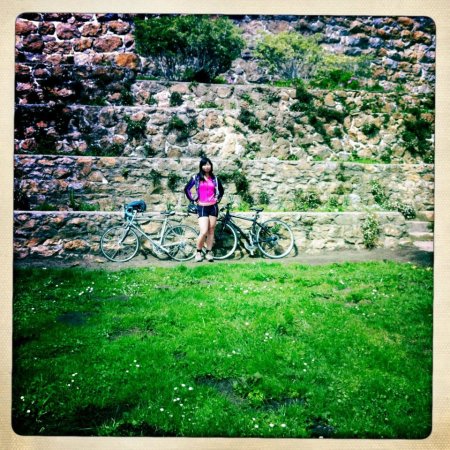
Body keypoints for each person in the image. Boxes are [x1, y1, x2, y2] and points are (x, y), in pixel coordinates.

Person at [184, 157, 224, 262]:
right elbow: (187, 189)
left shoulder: (215, 178)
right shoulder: (196, 178)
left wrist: (217, 199)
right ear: (201, 166)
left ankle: (209, 252)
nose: (207, 166)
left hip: (213, 207)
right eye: (204, 165)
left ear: (211, 166)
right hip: (202, 206)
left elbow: (221, 190)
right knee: (204, 231)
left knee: (211, 230)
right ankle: (198, 252)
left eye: (208, 164)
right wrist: (193, 200)